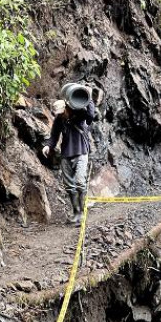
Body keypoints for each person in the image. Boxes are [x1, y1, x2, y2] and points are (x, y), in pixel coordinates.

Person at [42, 92, 97, 224]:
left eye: (62, 112)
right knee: (69, 186)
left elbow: (91, 116)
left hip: (81, 152)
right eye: (58, 113)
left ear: (67, 107)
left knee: (79, 182)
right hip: (66, 154)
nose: (61, 114)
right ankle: (76, 212)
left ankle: (82, 212)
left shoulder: (80, 114)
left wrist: (88, 99)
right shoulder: (59, 120)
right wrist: (48, 146)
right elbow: (54, 136)